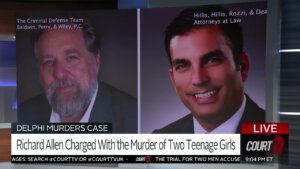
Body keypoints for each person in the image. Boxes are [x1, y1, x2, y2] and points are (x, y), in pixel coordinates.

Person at [153, 6, 265, 133]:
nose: (198, 79)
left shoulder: (280, 134)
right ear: (173, 79)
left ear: (243, 66)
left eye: (212, 60)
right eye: (183, 66)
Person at [18, 18, 137, 133]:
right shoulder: (22, 117)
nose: (59, 74)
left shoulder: (135, 119)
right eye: (48, 62)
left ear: (97, 61)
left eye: (71, 58)